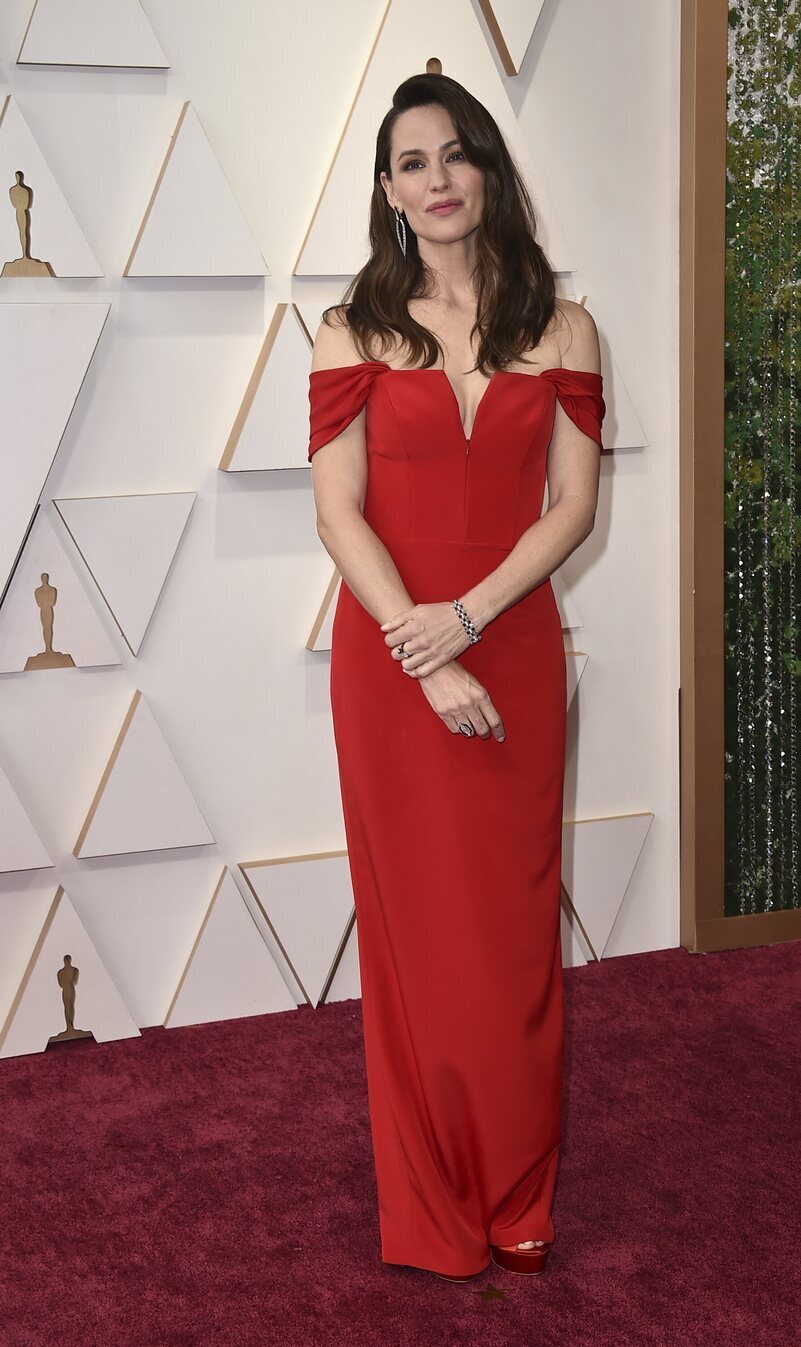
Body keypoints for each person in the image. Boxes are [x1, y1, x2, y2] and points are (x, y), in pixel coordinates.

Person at [307, 72, 606, 1280]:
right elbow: (338, 515)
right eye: (408, 164)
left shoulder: (566, 329)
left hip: (514, 650)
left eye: (451, 156)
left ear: (484, 169)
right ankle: (433, 1202)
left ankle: (518, 1188)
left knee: (513, 934)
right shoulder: (352, 330)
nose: (433, 181)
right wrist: (421, 651)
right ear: (385, 192)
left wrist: (470, 618)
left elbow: (573, 508)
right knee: (419, 940)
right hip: (389, 668)